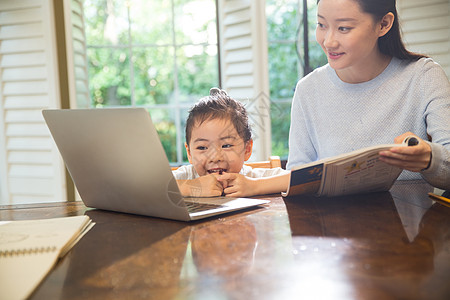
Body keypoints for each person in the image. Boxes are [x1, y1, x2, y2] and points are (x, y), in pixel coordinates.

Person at [287, 0, 450, 190]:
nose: (328, 41)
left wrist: (429, 159)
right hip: (333, 217)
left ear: (383, 24)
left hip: (410, 218)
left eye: (344, 28)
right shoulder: (308, 89)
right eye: (321, 25)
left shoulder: (423, 76)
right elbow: (297, 177)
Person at [173, 88, 290, 197]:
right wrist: (190, 187)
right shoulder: (187, 176)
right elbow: (155, 189)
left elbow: (298, 179)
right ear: (189, 153)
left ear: (247, 149)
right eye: (202, 148)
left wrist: (254, 186)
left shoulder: (250, 177)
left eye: (226, 145)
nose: (215, 157)